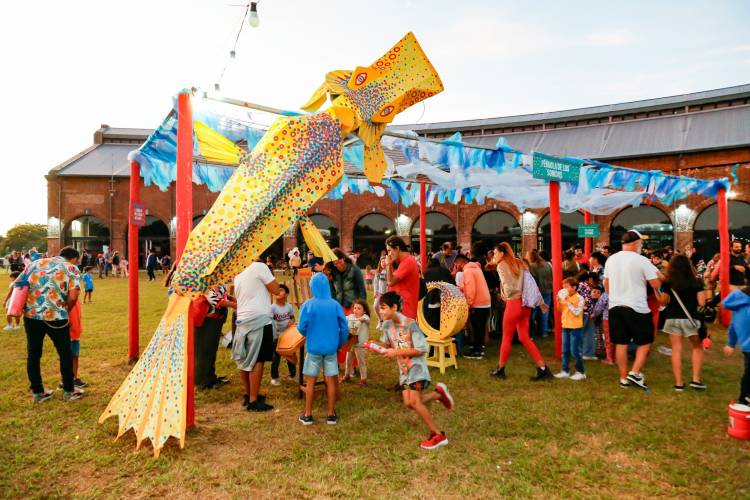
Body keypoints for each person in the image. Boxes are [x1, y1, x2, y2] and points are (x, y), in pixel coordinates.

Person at [375, 291, 454, 450]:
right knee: (409, 403)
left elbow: (421, 349)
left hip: (416, 369)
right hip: (404, 371)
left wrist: (395, 352)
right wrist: (373, 346)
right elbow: (385, 345)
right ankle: (437, 394)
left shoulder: (410, 324)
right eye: (379, 308)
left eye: (383, 308)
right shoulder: (387, 325)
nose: (381, 312)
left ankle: (438, 435)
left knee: (416, 402)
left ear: (394, 307)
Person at [15, 246, 85, 402]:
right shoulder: (71, 268)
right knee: (65, 353)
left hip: (31, 316)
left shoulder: (35, 263)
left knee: (33, 354)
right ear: (73, 259)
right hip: (57, 317)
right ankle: (68, 390)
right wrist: (67, 309)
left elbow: (18, 284)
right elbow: (73, 296)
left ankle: (38, 392)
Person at [603, 230, 663, 391]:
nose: (641, 246)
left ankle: (623, 379)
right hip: (637, 307)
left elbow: (606, 283)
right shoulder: (642, 260)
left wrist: (614, 295)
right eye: (641, 243)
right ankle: (635, 372)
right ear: (636, 243)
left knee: (621, 344)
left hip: (615, 306)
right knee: (645, 341)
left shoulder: (611, 259)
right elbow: (656, 285)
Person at [489, 242, 552, 381]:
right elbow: (531, 283)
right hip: (525, 304)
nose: (494, 255)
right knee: (525, 338)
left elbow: (509, 287)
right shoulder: (520, 263)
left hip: (514, 303)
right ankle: (543, 368)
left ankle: (500, 369)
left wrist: (504, 295)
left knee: (506, 338)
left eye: (495, 253)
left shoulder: (502, 265)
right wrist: (539, 301)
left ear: (501, 253)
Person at [297, 272, 349, 425]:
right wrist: (339, 342)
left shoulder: (308, 304)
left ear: (312, 287)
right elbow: (344, 328)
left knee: (311, 382)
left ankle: (307, 415)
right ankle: (331, 414)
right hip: (331, 348)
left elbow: (301, 327)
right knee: (331, 380)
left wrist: (310, 334)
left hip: (313, 348)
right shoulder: (335, 304)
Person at [232, 260, 281, 412]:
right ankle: (254, 401)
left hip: (242, 320)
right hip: (259, 319)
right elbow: (276, 289)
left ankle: (248, 395)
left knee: (245, 358)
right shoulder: (260, 267)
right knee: (257, 359)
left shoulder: (238, 273)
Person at [659, 254, 707, 391]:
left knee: (676, 350)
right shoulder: (696, 281)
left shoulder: (668, 282)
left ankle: (679, 384)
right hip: (691, 319)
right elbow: (702, 302)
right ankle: (696, 380)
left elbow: (664, 302)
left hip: (672, 319)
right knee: (697, 347)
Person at [195, 285, 234, 389]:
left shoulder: (217, 280)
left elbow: (222, 295)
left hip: (215, 321)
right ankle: (204, 382)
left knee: (211, 350)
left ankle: (211, 377)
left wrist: (231, 298)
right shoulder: (208, 281)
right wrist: (237, 305)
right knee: (205, 351)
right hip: (207, 322)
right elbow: (217, 301)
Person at [454, 254, 491, 360]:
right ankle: (478, 348)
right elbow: (471, 286)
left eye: (457, 265)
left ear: (461, 263)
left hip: (477, 303)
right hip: (484, 302)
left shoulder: (467, 271)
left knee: (476, 328)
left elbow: (471, 289)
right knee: (480, 327)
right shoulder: (476, 268)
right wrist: (460, 288)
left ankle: (477, 352)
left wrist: (469, 304)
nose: (457, 267)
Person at [555, 277, 587, 381]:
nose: (564, 288)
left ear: (574, 287)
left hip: (576, 328)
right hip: (565, 326)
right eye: (563, 286)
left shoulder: (580, 298)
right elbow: (560, 310)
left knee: (575, 351)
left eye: (566, 286)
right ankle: (565, 371)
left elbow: (577, 312)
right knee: (565, 350)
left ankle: (581, 372)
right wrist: (559, 302)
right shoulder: (565, 297)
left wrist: (568, 301)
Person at [722, 287, 750, 406]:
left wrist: (731, 343)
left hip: (746, 346)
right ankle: (745, 398)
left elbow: (733, 325)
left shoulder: (739, 305)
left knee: (748, 372)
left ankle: (745, 397)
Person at [385, 236, 421, 320]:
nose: (388, 254)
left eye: (389, 250)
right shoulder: (405, 261)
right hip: (401, 310)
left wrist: (388, 265)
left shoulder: (408, 261)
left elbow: (390, 282)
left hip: (405, 312)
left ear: (397, 248)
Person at [270, 284, 296, 385]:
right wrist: (275, 325)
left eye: (281, 290)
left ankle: (293, 375)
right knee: (276, 357)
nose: (278, 292)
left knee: (290, 355)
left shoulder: (289, 306)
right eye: (277, 290)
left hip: (288, 335)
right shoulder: (272, 307)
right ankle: (275, 377)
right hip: (277, 337)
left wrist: (292, 322)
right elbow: (270, 320)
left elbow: (292, 317)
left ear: (286, 294)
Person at [343, 299, 371, 386]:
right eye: (355, 308)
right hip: (351, 343)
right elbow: (343, 318)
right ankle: (347, 375)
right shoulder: (350, 317)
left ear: (364, 311)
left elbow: (365, 319)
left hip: (360, 345)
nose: (356, 310)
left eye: (359, 308)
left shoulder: (366, 318)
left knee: (361, 362)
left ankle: (364, 380)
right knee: (348, 361)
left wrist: (360, 319)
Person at [331, 248, 367, 313]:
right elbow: (332, 290)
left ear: (343, 258)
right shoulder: (333, 272)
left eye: (339, 262)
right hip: (339, 306)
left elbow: (362, 289)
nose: (337, 265)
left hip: (353, 307)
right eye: (335, 263)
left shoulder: (354, 269)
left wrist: (361, 307)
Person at [527, 249, 553, 337]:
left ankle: (531, 331)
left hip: (536, 291)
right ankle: (544, 331)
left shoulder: (531, 266)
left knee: (533, 312)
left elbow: (531, 280)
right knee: (545, 311)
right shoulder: (548, 265)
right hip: (547, 290)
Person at [591, 286, 613, 364]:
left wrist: (593, 315)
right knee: (618, 338)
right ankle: (618, 357)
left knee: (608, 339)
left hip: (607, 318)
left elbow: (598, 308)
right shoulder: (621, 292)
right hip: (620, 318)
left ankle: (610, 359)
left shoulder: (606, 294)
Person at [372, 256, 388, 328]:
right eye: (382, 262)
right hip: (380, 292)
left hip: (387, 293)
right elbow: (375, 282)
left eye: (385, 261)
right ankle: (380, 320)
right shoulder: (378, 272)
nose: (383, 263)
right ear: (380, 263)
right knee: (375, 306)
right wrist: (375, 291)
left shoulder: (389, 271)